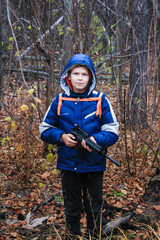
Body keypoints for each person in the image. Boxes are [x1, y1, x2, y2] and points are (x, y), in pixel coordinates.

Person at [39, 54, 119, 239]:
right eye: (76, 73)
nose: (80, 78)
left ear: (90, 77)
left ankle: (95, 236)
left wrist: (95, 139)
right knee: (71, 208)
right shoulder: (59, 100)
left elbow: (112, 130)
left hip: (94, 164)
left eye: (84, 74)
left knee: (94, 207)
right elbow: (45, 129)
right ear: (68, 76)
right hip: (68, 164)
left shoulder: (100, 100)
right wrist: (62, 137)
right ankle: (72, 236)